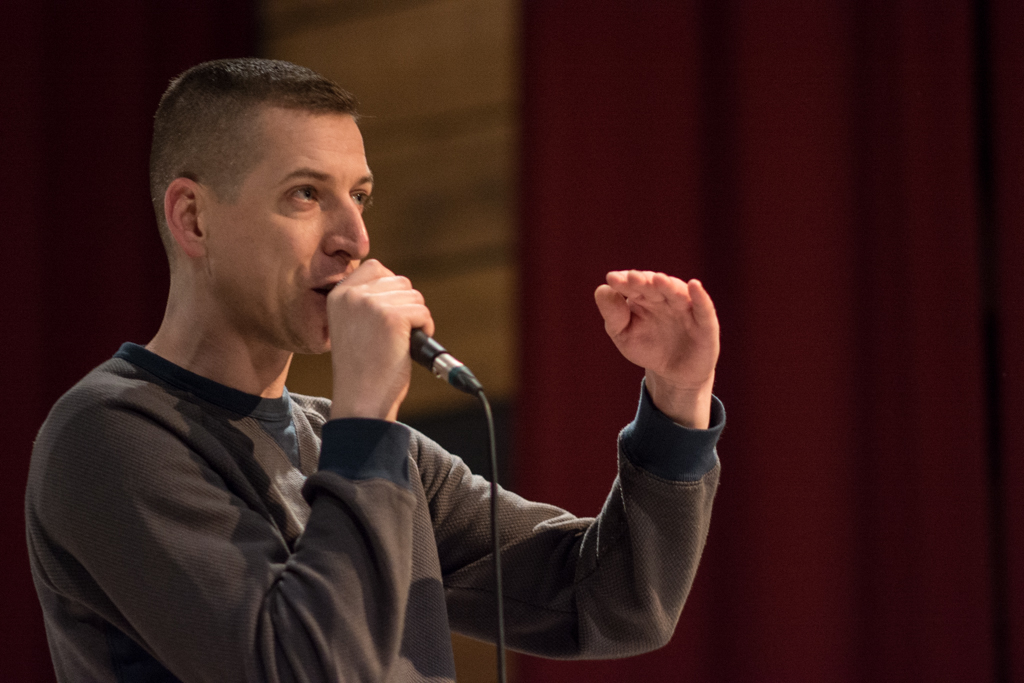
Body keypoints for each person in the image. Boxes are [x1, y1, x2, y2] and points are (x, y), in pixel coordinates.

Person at [25, 58, 724, 683]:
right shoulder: (111, 434)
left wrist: (677, 399)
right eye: (306, 194)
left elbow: (611, 603)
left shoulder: (368, 446)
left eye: (358, 196)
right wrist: (364, 415)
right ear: (194, 218)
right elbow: (305, 667)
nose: (354, 239)